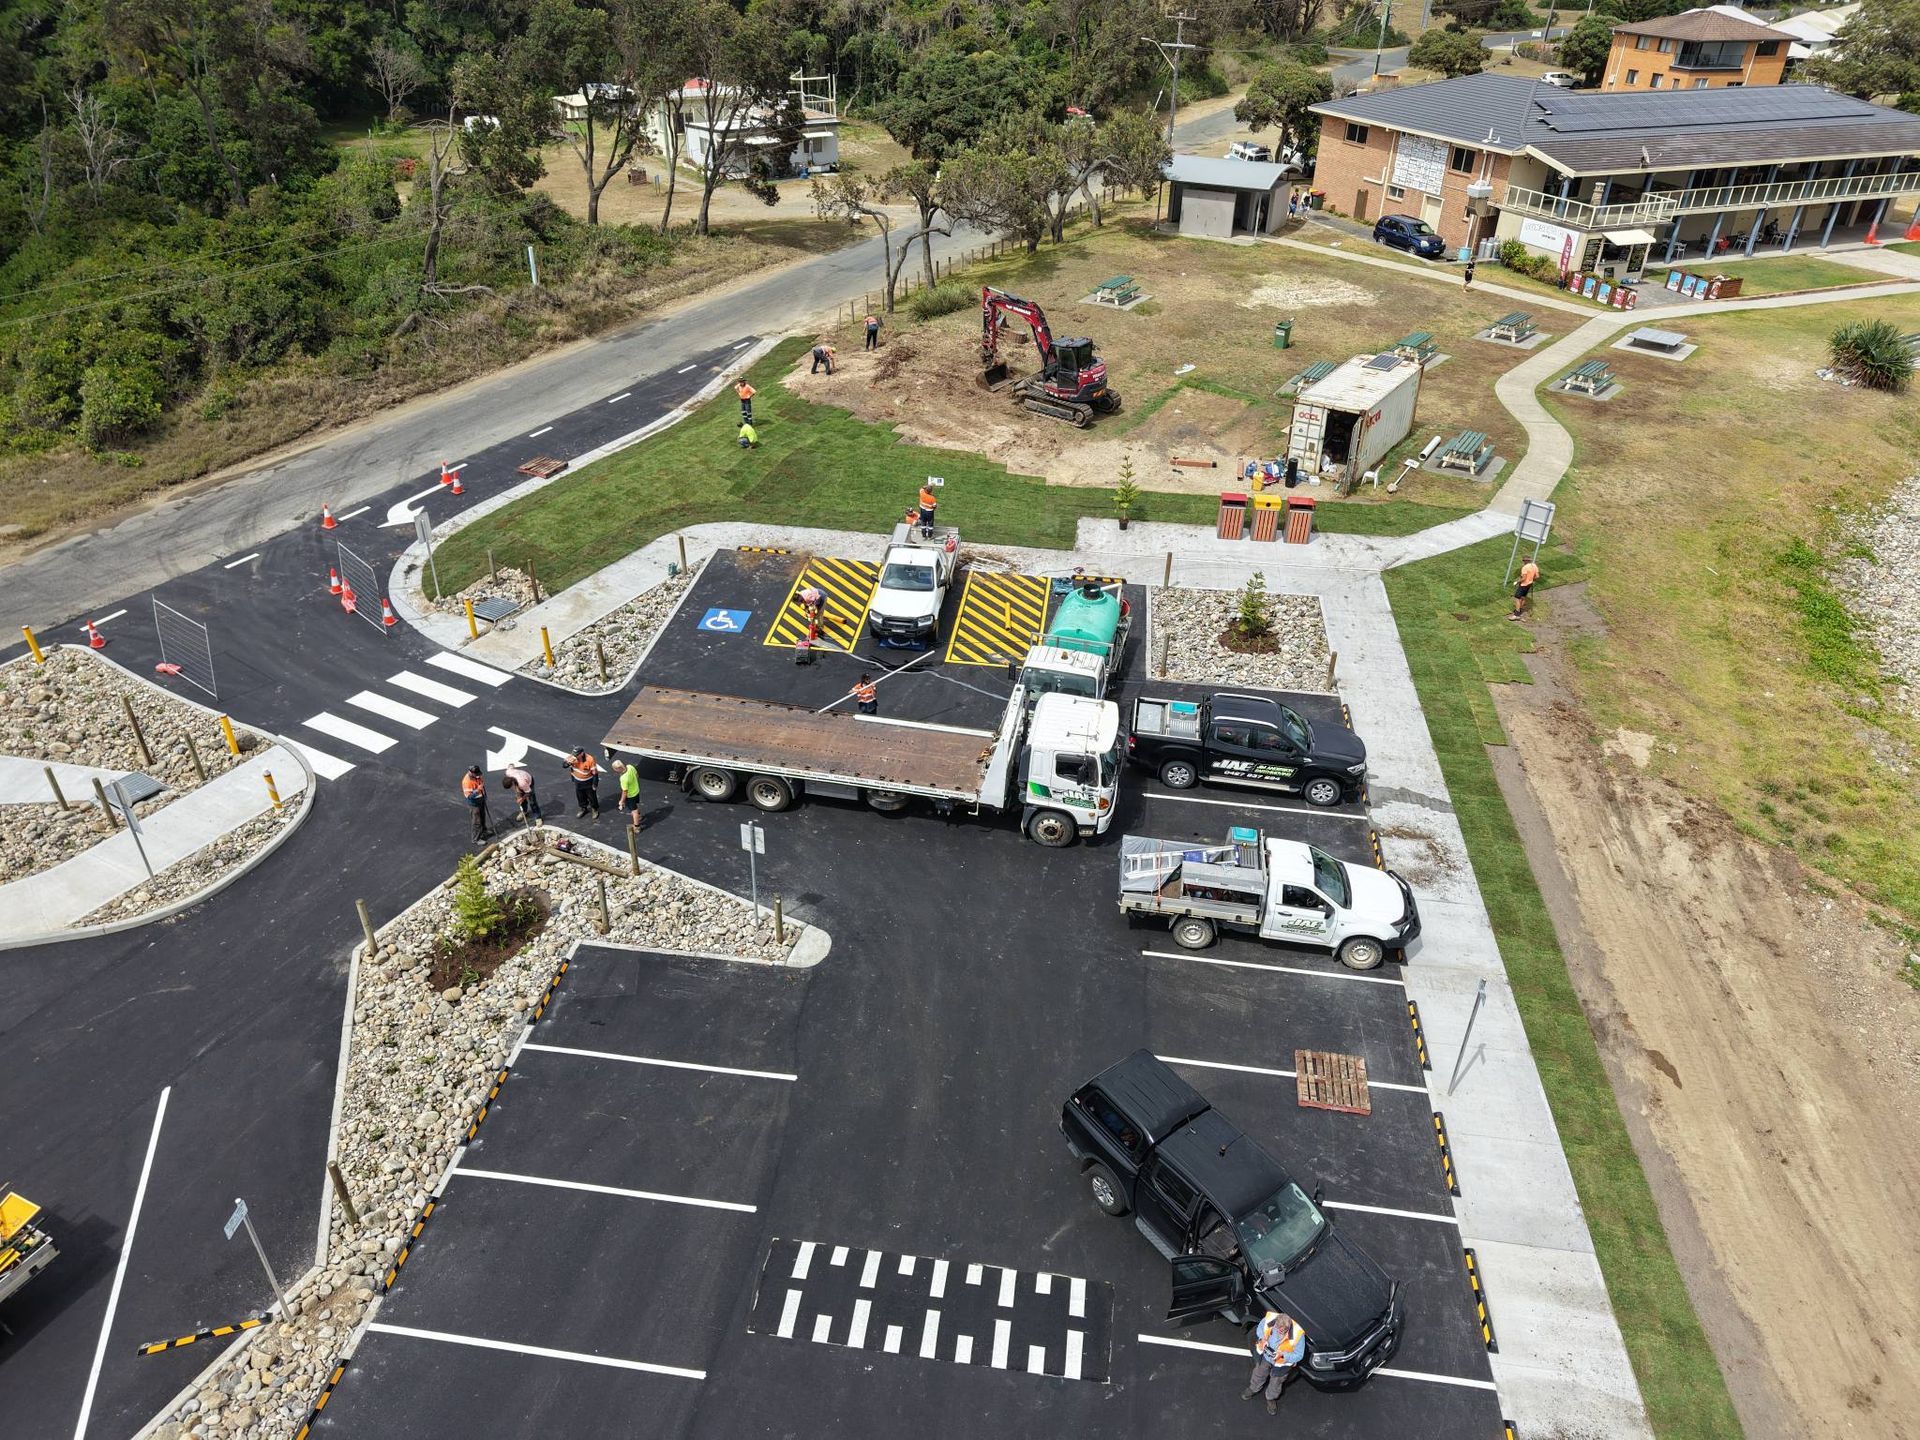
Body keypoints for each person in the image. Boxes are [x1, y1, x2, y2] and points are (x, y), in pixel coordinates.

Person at [1242, 1310, 1306, 1415]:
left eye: (1284, 1330)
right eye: (1279, 1329)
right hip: (1266, 1357)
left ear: (1289, 1326)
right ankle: (1253, 1388)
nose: (1281, 1332)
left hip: (1282, 1364)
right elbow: (1260, 1329)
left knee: (1276, 1382)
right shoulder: (1269, 1319)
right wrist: (1263, 1339)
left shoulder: (1298, 1335)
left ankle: (1271, 1398)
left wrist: (1282, 1355)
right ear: (1276, 1322)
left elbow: (1299, 1355)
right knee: (1259, 1373)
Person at [461, 765, 493, 844]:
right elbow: (469, 796)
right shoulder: (466, 782)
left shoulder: (477, 776)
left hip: (481, 800)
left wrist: (484, 796)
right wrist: (478, 790)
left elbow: (481, 784)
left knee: (483, 817)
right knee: (476, 822)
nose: (478, 775)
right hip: (474, 804)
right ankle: (476, 839)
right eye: (476, 774)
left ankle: (484, 831)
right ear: (471, 773)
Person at [566, 748, 601, 819]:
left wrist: (595, 784)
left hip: (588, 782)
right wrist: (568, 762)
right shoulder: (571, 757)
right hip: (577, 781)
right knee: (580, 796)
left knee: (592, 797)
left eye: (577, 755)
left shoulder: (590, 759)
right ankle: (583, 808)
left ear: (582, 753)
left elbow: (595, 773)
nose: (575, 756)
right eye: (574, 754)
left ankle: (595, 809)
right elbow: (564, 766)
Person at [611, 758, 643, 832]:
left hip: (630, 796)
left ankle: (637, 827)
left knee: (634, 811)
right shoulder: (630, 767)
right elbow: (637, 775)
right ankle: (639, 816)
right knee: (635, 806)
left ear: (618, 769)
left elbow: (625, 791)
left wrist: (621, 801)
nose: (615, 771)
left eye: (615, 769)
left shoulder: (623, 778)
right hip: (636, 791)